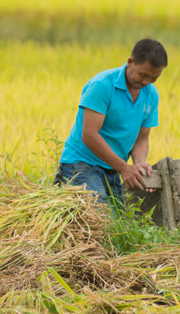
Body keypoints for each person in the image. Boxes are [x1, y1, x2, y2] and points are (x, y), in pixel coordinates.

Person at [55, 38, 167, 210]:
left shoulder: (151, 94)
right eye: (143, 75)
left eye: (154, 78)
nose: (146, 82)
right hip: (82, 163)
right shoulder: (103, 85)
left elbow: (141, 138)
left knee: (117, 226)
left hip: (112, 167)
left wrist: (138, 163)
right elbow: (89, 135)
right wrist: (123, 168)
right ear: (130, 62)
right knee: (99, 220)